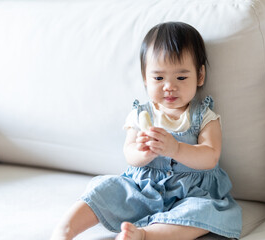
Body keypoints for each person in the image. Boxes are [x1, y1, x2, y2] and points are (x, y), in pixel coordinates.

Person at [51, 21, 242, 240]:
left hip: (192, 194)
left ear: (200, 76)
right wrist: (142, 153)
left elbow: (211, 155)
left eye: (181, 77)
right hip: (142, 189)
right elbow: (129, 153)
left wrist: (176, 148)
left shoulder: (204, 115)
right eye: (159, 78)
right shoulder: (142, 114)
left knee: (204, 213)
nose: (169, 86)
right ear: (145, 78)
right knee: (106, 188)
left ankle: (145, 235)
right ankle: (65, 229)